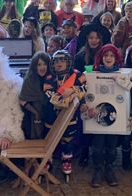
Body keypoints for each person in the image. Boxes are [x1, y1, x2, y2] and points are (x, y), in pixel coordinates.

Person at [87, 44, 132, 188]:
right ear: (101, 58)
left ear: (116, 58)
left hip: (115, 117)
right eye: (105, 56)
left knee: (111, 146)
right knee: (97, 146)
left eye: (111, 56)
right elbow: (86, 96)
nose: (108, 58)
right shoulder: (93, 75)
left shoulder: (124, 76)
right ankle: (98, 169)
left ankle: (109, 168)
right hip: (98, 117)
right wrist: (86, 108)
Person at [43, 50, 87, 180]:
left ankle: (67, 160)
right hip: (52, 114)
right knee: (49, 137)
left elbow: (84, 88)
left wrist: (73, 90)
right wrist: (62, 98)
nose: (59, 64)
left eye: (62, 60)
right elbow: (48, 93)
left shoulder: (77, 75)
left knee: (68, 138)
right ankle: (48, 159)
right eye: (56, 61)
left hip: (70, 115)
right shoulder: (49, 77)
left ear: (68, 62)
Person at [19, 52, 51, 139]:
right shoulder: (29, 79)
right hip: (33, 114)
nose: (42, 67)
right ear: (34, 66)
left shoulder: (51, 78)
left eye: (45, 64)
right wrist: (35, 113)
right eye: (39, 64)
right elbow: (22, 100)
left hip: (49, 112)